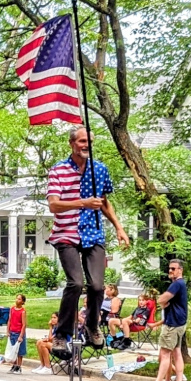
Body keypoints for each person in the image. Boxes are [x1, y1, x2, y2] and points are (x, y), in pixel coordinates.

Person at [46, 128, 131, 346]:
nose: (86, 145)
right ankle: (61, 335)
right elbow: (54, 205)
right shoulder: (59, 170)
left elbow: (103, 201)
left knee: (97, 286)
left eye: (90, 142)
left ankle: (93, 326)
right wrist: (82, 202)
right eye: (82, 141)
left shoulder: (99, 169)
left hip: (93, 233)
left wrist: (119, 228)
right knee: (75, 283)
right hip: (67, 233)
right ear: (71, 143)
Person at [142, 260, 187, 381]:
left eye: (173, 268)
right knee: (177, 353)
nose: (170, 271)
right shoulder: (181, 284)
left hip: (172, 324)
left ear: (180, 270)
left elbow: (161, 299)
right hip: (181, 323)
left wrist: (163, 303)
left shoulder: (176, 284)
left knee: (165, 354)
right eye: (169, 269)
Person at [7, 294, 28, 374]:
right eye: (16, 298)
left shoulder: (22, 311)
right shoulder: (12, 309)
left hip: (19, 333)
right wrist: (8, 331)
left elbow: (24, 324)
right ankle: (14, 365)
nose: (17, 300)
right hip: (12, 332)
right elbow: (9, 320)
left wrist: (21, 336)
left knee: (19, 351)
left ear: (22, 302)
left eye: (19, 299)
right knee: (13, 350)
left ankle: (19, 367)